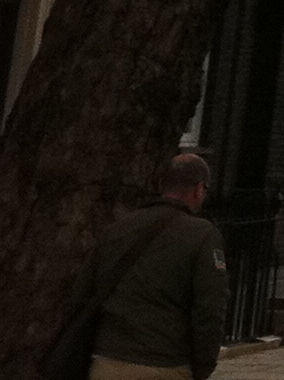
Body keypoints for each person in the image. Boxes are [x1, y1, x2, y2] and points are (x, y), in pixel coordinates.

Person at [68, 151, 228, 380]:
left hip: (108, 361)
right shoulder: (203, 235)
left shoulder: (118, 229)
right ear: (199, 189)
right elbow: (209, 310)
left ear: (163, 185)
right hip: (164, 364)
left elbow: (82, 293)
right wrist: (203, 366)